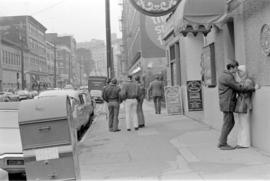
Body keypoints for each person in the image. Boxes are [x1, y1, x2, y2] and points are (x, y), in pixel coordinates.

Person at [218, 62, 255, 150]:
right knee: (228, 123)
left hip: (227, 102)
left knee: (230, 122)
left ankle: (222, 141)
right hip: (227, 103)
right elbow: (238, 87)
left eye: (239, 70)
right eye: (236, 69)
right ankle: (222, 143)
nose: (237, 71)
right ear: (232, 67)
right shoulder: (227, 76)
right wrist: (253, 88)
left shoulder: (225, 75)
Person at [234, 65, 257, 148]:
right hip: (240, 104)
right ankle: (240, 142)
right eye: (238, 72)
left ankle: (245, 143)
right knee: (241, 124)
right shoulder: (242, 81)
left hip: (245, 104)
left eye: (240, 71)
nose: (239, 73)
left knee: (244, 124)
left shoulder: (247, 81)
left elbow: (246, 92)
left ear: (244, 72)